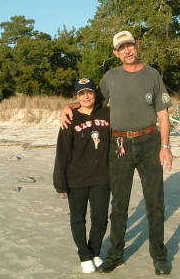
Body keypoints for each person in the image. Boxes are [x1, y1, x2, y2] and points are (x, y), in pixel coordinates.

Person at [61, 31, 173, 275]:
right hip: (119, 144)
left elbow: (163, 114)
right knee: (119, 204)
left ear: (137, 46)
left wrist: (165, 147)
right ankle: (115, 254)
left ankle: (159, 254)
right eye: (121, 48)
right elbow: (89, 101)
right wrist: (67, 106)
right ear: (115, 53)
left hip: (149, 142)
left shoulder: (153, 75)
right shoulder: (110, 77)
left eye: (130, 45)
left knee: (155, 203)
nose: (127, 51)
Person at [53, 78, 111, 274]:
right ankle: (84, 256)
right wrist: (60, 183)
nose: (86, 96)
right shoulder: (70, 118)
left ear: (95, 93)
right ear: (76, 96)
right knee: (78, 219)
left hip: (102, 177)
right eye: (81, 93)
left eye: (89, 92)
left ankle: (94, 252)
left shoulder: (107, 113)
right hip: (76, 178)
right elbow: (62, 152)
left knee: (101, 220)